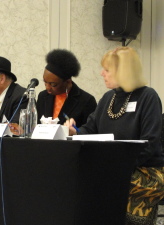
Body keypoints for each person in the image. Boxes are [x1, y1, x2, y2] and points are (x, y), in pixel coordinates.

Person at [65, 47, 164, 225]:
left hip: (146, 171)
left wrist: (117, 165)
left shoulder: (148, 97)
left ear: (123, 71)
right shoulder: (108, 98)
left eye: (107, 70)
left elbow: (150, 144)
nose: (102, 73)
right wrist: (75, 131)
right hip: (113, 167)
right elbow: (90, 130)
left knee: (97, 178)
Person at [37, 49, 97, 126]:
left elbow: (90, 132)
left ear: (68, 82)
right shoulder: (43, 96)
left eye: (53, 84)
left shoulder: (86, 101)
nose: (47, 88)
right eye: (45, 82)